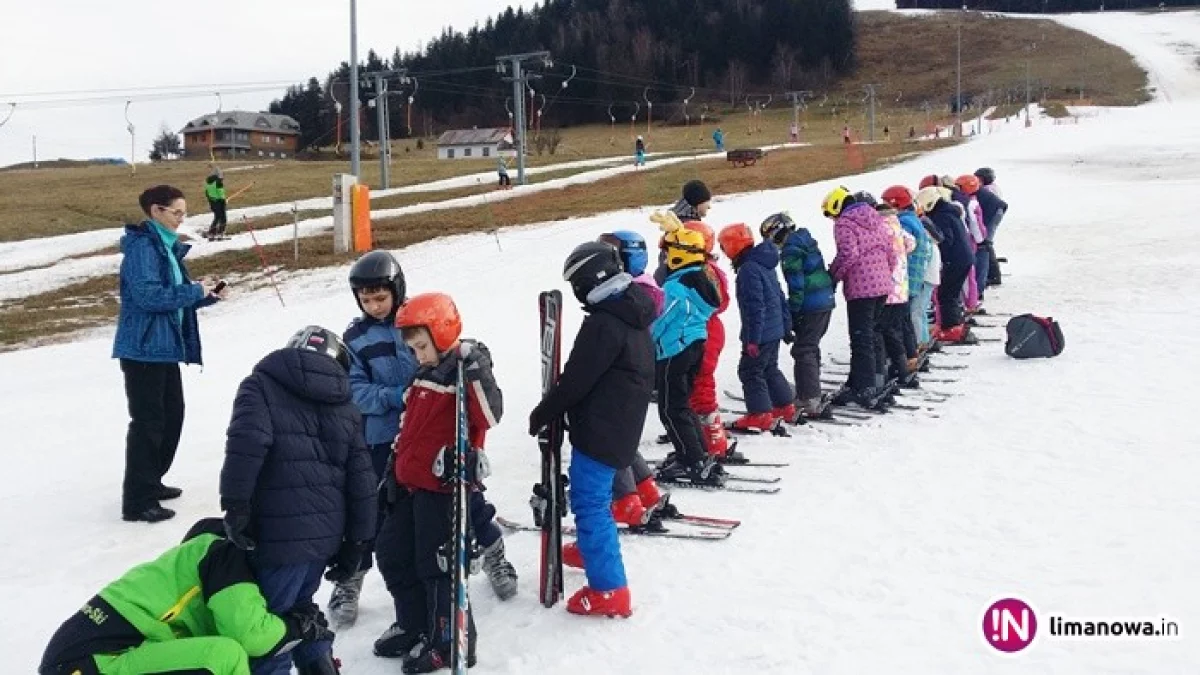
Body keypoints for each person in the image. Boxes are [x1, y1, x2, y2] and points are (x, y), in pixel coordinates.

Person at [219, 326, 377, 675]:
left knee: (268, 626)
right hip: (324, 539)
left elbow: (245, 447)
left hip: (275, 534)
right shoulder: (346, 407)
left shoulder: (260, 386)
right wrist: (357, 541)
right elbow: (362, 480)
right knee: (301, 607)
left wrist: (236, 505)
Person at [376, 293, 503, 673]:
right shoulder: (422, 375)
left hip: (445, 488)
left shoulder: (464, 371)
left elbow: (490, 414)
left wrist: (474, 364)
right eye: (412, 349)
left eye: (421, 347)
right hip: (410, 485)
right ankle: (415, 624)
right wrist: (392, 472)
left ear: (443, 333)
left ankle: (448, 640)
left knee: (437, 566)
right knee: (393, 552)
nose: (418, 356)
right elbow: (409, 429)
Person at [529, 241, 656, 618]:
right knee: (593, 498)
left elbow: (576, 380)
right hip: (618, 424)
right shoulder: (631, 309)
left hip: (602, 430)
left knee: (590, 504)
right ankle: (591, 548)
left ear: (590, 281)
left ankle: (609, 589)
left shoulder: (605, 324)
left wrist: (543, 412)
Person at [39, 519, 337, 675]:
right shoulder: (224, 556)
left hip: (82, 656)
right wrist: (300, 627)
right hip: (93, 663)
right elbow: (252, 636)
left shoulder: (199, 551)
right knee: (225, 656)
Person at [113, 185, 225, 523]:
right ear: (155, 211)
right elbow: (149, 297)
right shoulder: (143, 249)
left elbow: (174, 295)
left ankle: (151, 481)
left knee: (172, 416)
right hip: (143, 349)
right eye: (176, 213)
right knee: (149, 423)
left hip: (164, 349)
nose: (181, 219)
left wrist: (206, 295)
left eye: (183, 213)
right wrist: (192, 291)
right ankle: (137, 501)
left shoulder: (167, 247)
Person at [649, 218, 724, 487]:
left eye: (668, 252)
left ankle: (692, 460)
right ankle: (697, 452)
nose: (665, 258)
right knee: (684, 404)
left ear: (679, 255)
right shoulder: (699, 279)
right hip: (693, 346)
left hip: (674, 351)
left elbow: (661, 320)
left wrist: (644, 339)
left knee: (671, 408)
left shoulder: (676, 287)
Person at [823, 186, 897, 410]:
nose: (833, 219)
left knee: (860, 338)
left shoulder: (844, 224)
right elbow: (891, 252)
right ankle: (873, 379)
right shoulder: (876, 218)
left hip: (861, 287)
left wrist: (833, 275)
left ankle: (864, 388)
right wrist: (885, 274)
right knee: (873, 334)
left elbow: (848, 254)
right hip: (883, 285)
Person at [718, 223, 794, 431]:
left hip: (761, 332)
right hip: (773, 328)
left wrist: (752, 339)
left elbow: (755, 307)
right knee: (769, 368)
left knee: (750, 371)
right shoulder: (762, 263)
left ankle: (760, 414)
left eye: (724, 248)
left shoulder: (748, 270)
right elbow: (779, 296)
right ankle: (784, 406)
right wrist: (785, 326)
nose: (724, 254)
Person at [761, 212, 836, 419]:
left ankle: (809, 397)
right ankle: (812, 390)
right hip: (825, 300)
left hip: (811, 303)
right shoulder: (806, 241)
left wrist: (792, 310)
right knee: (810, 346)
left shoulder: (791, 250)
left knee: (803, 350)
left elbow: (796, 284)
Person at [681, 220, 738, 460]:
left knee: (702, 386)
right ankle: (699, 433)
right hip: (708, 330)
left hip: (706, 333)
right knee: (695, 385)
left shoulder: (703, 271)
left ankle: (714, 440)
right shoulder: (708, 268)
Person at [868, 192, 919, 387]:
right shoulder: (897, 228)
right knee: (895, 329)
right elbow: (912, 243)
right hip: (902, 287)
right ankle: (902, 365)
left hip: (888, 289)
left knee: (885, 330)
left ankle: (898, 368)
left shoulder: (881, 230)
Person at [916, 186, 977, 345]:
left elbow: (946, 239)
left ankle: (951, 326)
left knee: (946, 294)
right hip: (964, 257)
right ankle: (953, 322)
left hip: (955, 259)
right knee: (952, 292)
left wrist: (938, 251)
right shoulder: (950, 212)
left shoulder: (941, 216)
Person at [882, 186, 935, 351]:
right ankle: (918, 343)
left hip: (908, 275)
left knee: (908, 316)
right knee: (911, 314)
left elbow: (901, 247)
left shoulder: (904, 222)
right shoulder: (913, 218)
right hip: (915, 274)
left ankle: (915, 346)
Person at [973, 167, 1009, 287]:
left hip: (993, 213)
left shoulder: (988, 189)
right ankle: (991, 273)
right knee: (985, 242)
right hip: (995, 212)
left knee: (985, 243)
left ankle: (993, 275)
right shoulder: (991, 188)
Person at [205, 167, 229, 240]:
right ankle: (220, 234)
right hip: (219, 203)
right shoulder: (218, 182)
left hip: (212, 203)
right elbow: (221, 193)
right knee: (223, 218)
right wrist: (224, 201)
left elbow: (207, 194)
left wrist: (212, 201)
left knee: (217, 217)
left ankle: (211, 233)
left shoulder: (208, 183)